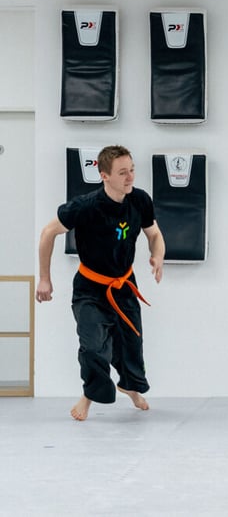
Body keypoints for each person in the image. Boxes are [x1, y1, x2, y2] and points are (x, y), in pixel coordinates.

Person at [35, 145, 165, 421]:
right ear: (104, 175)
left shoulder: (140, 200)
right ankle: (89, 395)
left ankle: (129, 387)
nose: (130, 177)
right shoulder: (85, 206)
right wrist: (45, 278)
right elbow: (48, 233)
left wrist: (158, 255)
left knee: (130, 344)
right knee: (94, 345)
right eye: (122, 173)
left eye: (131, 170)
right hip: (91, 289)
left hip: (124, 286)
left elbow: (154, 233)